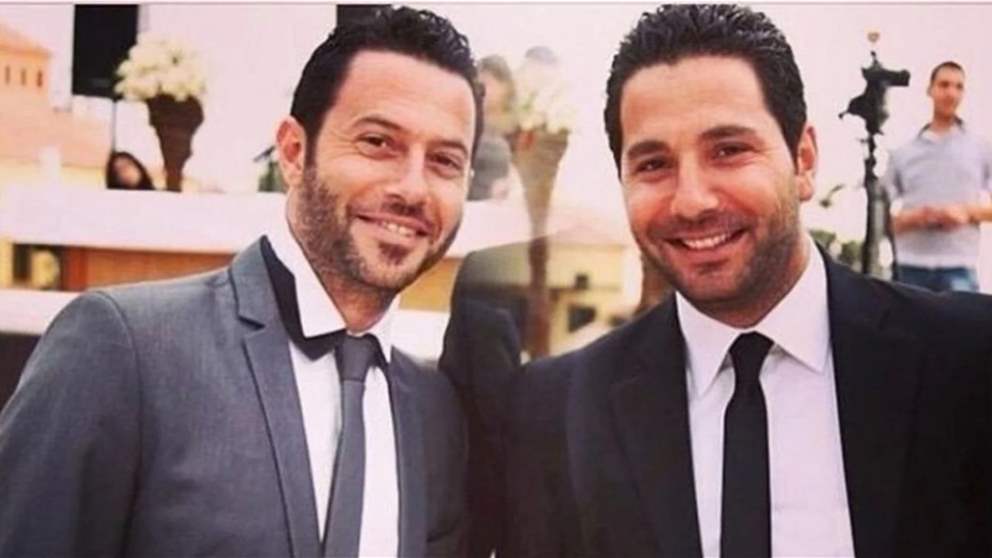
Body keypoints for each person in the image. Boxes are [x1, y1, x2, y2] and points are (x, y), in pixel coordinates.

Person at [496, 5, 992, 557]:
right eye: (654, 164)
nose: (692, 201)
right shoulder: (556, 411)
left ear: (804, 160)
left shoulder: (969, 363)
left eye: (728, 151)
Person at [0, 6, 482, 557]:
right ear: (294, 152)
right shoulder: (126, 350)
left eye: (444, 161)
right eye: (377, 142)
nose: (413, 188)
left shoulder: (437, 413)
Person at [883, 61, 992, 292]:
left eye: (958, 87)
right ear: (930, 89)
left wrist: (965, 213)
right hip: (909, 267)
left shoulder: (981, 149)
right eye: (944, 85)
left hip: (960, 267)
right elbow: (881, 216)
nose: (951, 93)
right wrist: (913, 218)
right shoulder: (903, 152)